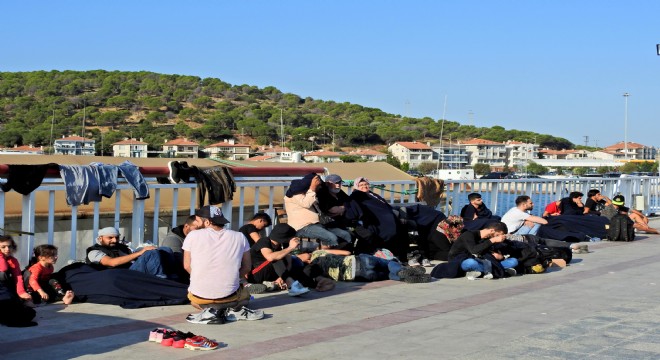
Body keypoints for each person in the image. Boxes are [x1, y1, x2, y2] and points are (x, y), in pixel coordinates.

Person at [183, 205, 264, 323]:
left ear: (206, 222)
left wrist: (201, 275)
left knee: (193, 300)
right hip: (230, 297)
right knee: (245, 295)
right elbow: (246, 267)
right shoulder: (240, 237)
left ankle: (212, 310)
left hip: (199, 299)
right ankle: (231, 309)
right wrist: (233, 277)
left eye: (198, 219)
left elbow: (186, 266)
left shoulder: (192, 236)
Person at [249, 223, 335, 295]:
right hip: (256, 273)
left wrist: (282, 276)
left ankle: (319, 282)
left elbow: (289, 261)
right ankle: (291, 285)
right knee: (277, 257)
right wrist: (290, 248)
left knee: (301, 265)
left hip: (274, 272)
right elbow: (270, 257)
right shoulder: (264, 241)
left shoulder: (282, 245)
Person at [344, 177, 410, 261]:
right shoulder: (357, 196)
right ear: (356, 186)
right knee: (389, 228)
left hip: (385, 217)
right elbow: (360, 210)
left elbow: (383, 206)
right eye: (361, 185)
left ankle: (402, 256)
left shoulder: (372, 194)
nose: (364, 186)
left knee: (402, 225)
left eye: (366, 184)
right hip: (374, 220)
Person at [284, 173, 352, 248]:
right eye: (318, 185)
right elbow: (307, 204)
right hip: (303, 227)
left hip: (318, 224)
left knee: (345, 235)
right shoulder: (296, 194)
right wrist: (312, 188)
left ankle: (345, 255)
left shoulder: (311, 193)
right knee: (331, 238)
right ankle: (328, 257)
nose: (319, 188)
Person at [86, 227, 177, 279]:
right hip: (119, 276)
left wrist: (146, 249)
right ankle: (160, 280)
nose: (114, 240)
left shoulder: (121, 246)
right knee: (151, 253)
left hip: (131, 270)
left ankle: (173, 277)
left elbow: (132, 253)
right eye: (110, 238)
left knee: (165, 249)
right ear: (100, 238)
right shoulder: (94, 252)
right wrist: (141, 253)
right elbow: (112, 262)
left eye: (117, 237)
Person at [305, 249, 430, 283]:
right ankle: (402, 271)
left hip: (356, 276)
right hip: (358, 261)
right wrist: (328, 251)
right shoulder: (317, 253)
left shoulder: (311, 273)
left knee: (386, 275)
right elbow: (347, 253)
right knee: (388, 263)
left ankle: (404, 277)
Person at [447, 222, 518, 280]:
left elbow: (488, 253)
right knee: (471, 263)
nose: (498, 238)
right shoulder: (469, 235)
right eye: (498, 235)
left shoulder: (488, 240)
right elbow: (474, 250)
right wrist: (493, 240)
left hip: (483, 262)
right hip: (460, 260)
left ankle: (484, 271)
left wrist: (500, 257)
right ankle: (499, 270)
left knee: (514, 261)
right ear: (492, 231)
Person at [0, 235, 32, 304]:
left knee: (28, 273)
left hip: (9, 286)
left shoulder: (13, 260)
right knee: (2, 274)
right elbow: (3, 268)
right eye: (3, 247)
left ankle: (22, 297)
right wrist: (1, 255)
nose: (7, 249)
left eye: (9, 246)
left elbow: (18, 276)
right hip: (2, 288)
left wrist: (21, 292)